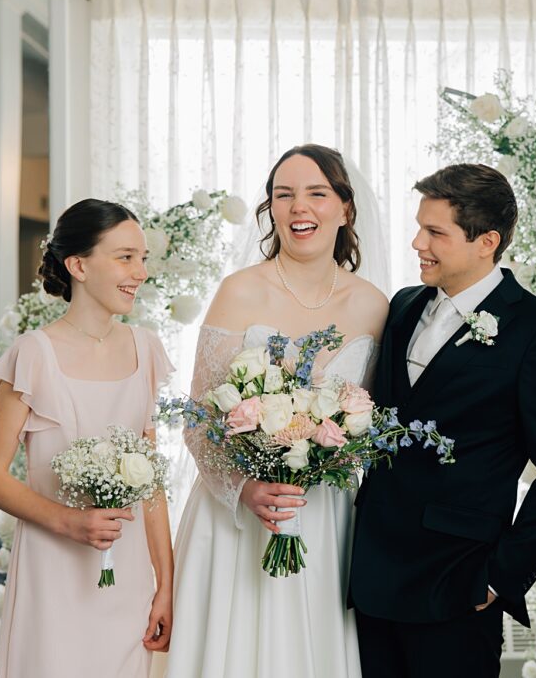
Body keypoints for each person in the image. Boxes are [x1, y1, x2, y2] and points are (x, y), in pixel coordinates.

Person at [348, 164, 536, 678]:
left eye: (436, 232)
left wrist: (499, 577)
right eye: (420, 227)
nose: (418, 242)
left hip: (457, 586)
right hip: (371, 575)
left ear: (487, 241)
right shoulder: (403, 305)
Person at [164, 144, 389, 678]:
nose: (298, 208)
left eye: (316, 193)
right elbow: (199, 420)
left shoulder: (375, 305)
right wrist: (245, 487)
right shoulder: (239, 292)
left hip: (325, 517)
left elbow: (371, 423)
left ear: (345, 209)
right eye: (283, 195)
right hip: (235, 518)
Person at [0, 199, 175, 678]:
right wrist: (69, 522)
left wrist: (165, 584)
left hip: (126, 579)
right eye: (125, 257)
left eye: (143, 258)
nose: (140, 272)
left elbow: (151, 484)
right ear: (79, 264)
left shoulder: (146, 349)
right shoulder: (33, 354)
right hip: (54, 574)